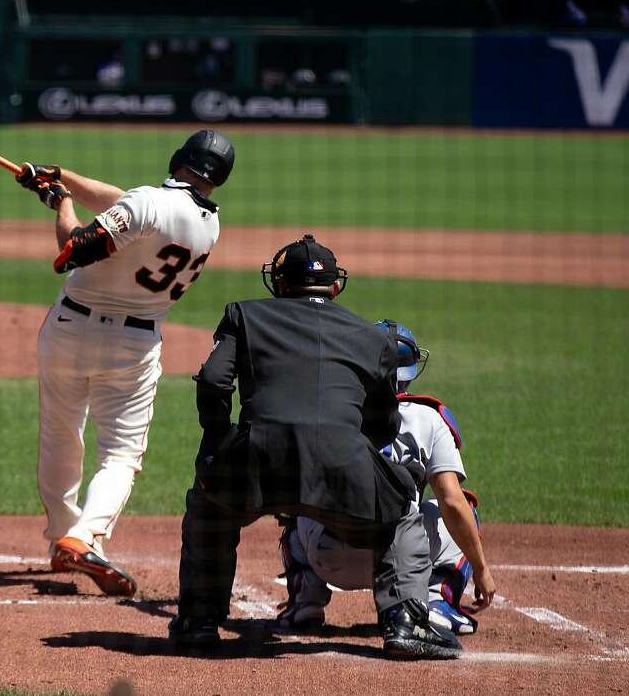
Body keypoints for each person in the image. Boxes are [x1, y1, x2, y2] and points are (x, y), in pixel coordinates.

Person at [169, 234, 462, 660]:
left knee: (208, 505)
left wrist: (216, 443)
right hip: (345, 462)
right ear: (336, 287)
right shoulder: (374, 338)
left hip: (256, 459)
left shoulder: (244, 315)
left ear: (280, 284)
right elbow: (383, 421)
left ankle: (198, 622)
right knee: (400, 510)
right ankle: (405, 622)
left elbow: (214, 381)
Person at [17, 129, 234, 597]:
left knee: (60, 431)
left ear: (178, 157)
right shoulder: (208, 224)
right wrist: (63, 179)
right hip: (134, 347)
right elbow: (128, 205)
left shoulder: (145, 204)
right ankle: (85, 535)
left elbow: (72, 251)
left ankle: (61, 536)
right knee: (120, 454)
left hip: (69, 332)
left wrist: (61, 204)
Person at [276, 320, 497, 635]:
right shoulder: (429, 419)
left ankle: (306, 602)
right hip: (407, 562)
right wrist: (481, 569)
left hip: (333, 558)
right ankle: (437, 603)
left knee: (300, 504)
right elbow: (452, 502)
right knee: (463, 505)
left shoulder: (329, 410)